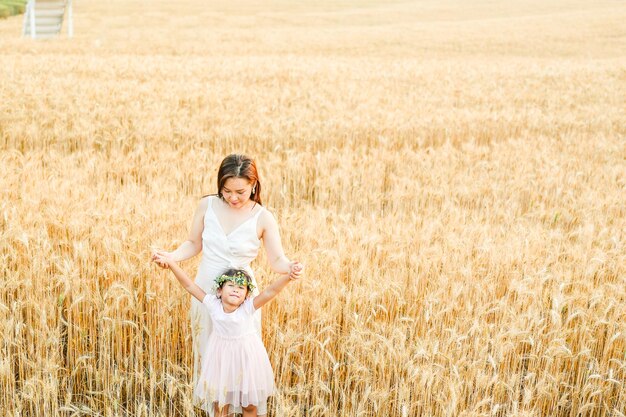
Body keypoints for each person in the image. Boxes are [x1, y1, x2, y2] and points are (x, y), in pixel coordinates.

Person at [151, 154, 303, 414]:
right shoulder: (207, 206)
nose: (233, 198)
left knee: (242, 359)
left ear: (254, 185)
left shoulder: (263, 217)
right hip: (207, 289)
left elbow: (276, 258)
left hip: (240, 296)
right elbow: (193, 244)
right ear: (219, 185)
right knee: (211, 356)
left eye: (241, 192)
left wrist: (289, 267)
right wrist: (171, 257)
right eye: (227, 190)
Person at [154, 253, 300, 417]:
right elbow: (189, 286)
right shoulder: (213, 304)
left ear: (246, 295)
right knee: (221, 406)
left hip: (247, 359)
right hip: (221, 359)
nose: (236, 290)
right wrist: (172, 264)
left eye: (241, 288)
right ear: (219, 290)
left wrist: (289, 276)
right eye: (231, 285)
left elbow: (269, 292)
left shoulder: (247, 308)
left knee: (250, 406)